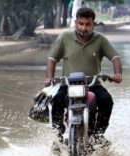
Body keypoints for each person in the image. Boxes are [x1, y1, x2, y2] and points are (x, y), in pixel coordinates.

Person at [44, 7, 122, 143]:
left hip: (93, 85)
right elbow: (52, 59)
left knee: (107, 101)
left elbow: (115, 57)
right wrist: (50, 77)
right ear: (76, 23)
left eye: (87, 24)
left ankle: (98, 136)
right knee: (56, 101)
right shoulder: (64, 37)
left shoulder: (100, 40)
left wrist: (118, 73)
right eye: (81, 24)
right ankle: (58, 137)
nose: (84, 28)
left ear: (93, 24)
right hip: (68, 84)